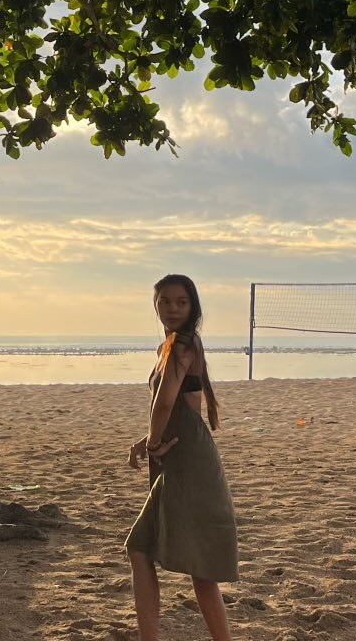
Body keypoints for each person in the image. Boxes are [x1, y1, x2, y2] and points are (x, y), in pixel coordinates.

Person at [125, 274, 237, 641]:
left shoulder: (184, 345)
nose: (172, 308)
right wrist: (148, 439)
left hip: (189, 462)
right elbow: (180, 410)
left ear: (193, 307)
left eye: (181, 302)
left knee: (197, 567)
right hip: (180, 453)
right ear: (155, 305)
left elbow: (165, 402)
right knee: (142, 549)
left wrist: (154, 442)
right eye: (165, 301)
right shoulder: (169, 347)